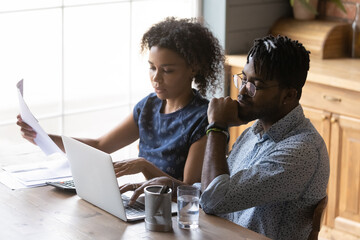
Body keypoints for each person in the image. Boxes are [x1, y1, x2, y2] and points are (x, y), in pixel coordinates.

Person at [128, 35, 329, 239]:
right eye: (243, 79)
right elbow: (216, 190)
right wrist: (173, 186)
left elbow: (215, 200)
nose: (241, 91)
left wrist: (216, 127)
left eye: (255, 86)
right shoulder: (255, 132)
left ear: (288, 95)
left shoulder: (302, 151)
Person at [16, 17, 225, 198]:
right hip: (149, 204)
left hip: (180, 216)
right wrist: (42, 136)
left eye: (167, 70)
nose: (156, 78)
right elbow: (100, 145)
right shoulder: (149, 107)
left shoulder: (204, 118)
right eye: (152, 68)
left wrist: (143, 165)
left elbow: (189, 190)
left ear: (193, 68)